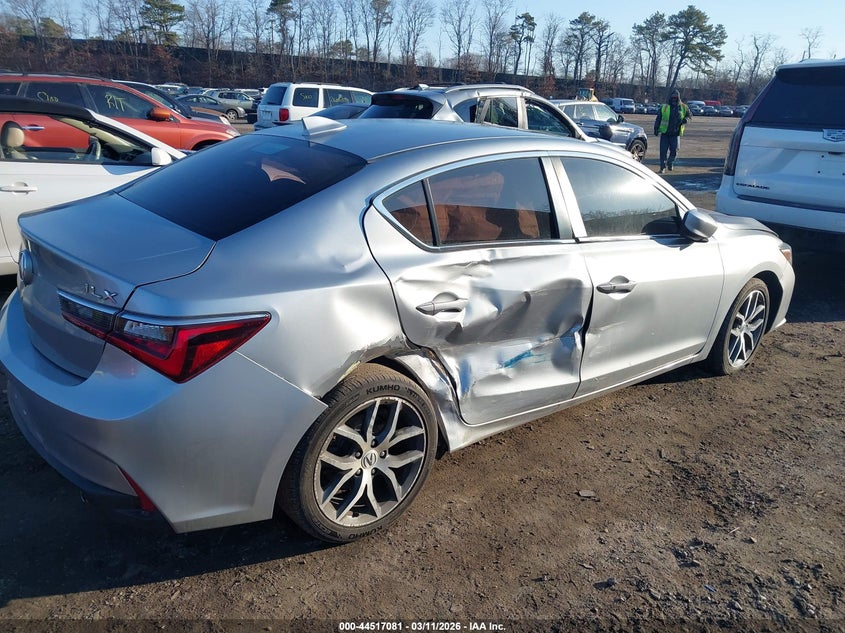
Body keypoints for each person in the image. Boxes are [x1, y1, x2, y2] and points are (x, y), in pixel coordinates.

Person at [653, 89, 690, 174]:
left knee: (674, 150)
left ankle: (670, 162)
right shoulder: (664, 107)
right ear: (670, 98)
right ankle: (662, 167)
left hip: (676, 134)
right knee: (663, 151)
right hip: (665, 133)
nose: (674, 99)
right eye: (672, 97)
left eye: (675, 97)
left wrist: (686, 120)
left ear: (678, 98)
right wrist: (656, 128)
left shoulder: (683, 107)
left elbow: (689, 115)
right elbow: (658, 118)